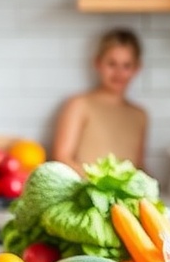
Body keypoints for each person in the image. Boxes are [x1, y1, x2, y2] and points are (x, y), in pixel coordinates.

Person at [53, 27, 148, 171]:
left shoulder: (140, 115)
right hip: (84, 190)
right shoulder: (79, 105)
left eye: (126, 66)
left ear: (137, 68)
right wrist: (99, 185)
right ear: (98, 63)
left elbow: (139, 166)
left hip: (125, 194)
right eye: (112, 64)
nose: (119, 73)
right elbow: (62, 157)